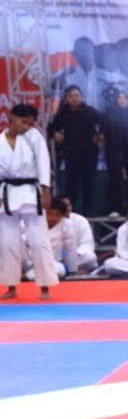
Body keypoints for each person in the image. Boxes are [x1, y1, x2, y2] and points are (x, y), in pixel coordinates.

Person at [1, 104, 58, 300]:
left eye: (30, 123)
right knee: (7, 242)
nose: (27, 126)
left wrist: (46, 189)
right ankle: (11, 286)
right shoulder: (0, 141)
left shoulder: (34, 137)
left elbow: (44, 163)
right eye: (23, 122)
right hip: (6, 195)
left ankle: (45, 286)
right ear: (12, 117)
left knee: (38, 241)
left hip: (31, 193)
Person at [47, 86, 104, 215]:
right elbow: (51, 128)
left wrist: (100, 135)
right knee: (71, 184)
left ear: (81, 97)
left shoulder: (89, 111)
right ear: (67, 98)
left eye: (76, 95)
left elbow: (104, 123)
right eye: (71, 96)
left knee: (88, 183)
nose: (74, 98)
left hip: (89, 153)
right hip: (71, 153)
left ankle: (88, 213)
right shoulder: (63, 113)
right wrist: (56, 133)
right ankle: (70, 212)